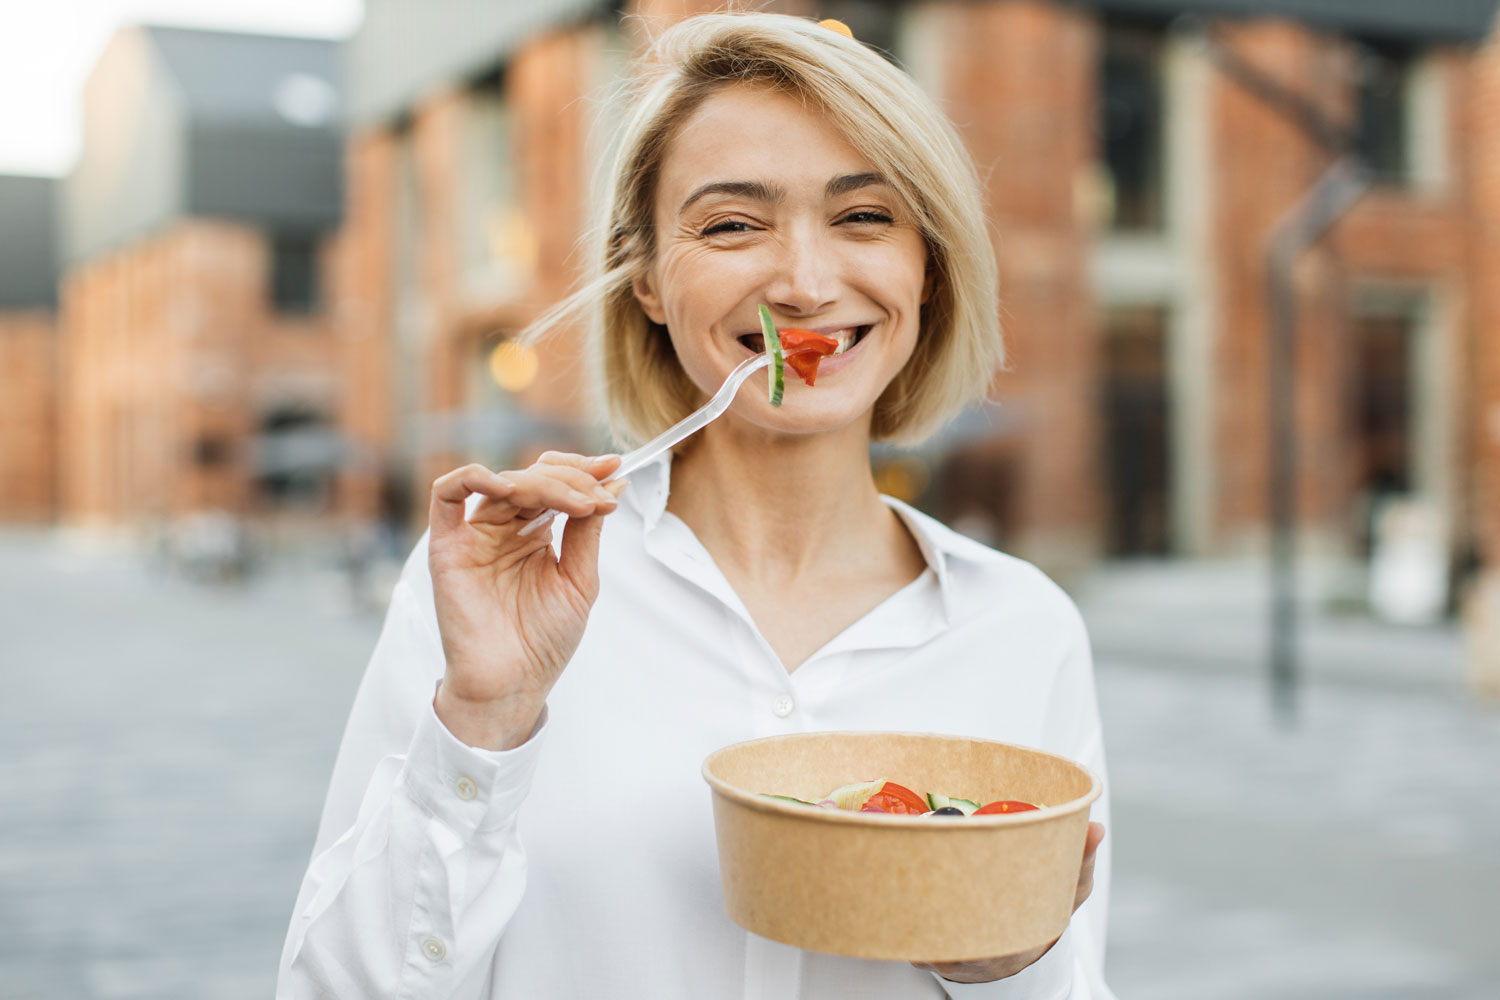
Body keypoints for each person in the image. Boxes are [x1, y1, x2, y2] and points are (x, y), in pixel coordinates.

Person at [277, 12, 1113, 999]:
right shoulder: (497, 597)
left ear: (924, 268)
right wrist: (484, 720)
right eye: (732, 225)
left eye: (864, 217)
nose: (803, 283)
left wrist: (1013, 970)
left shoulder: (1022, 630)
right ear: (649, 284)